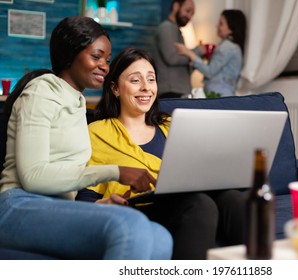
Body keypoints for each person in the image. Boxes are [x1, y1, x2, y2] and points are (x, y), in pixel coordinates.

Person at [0, 16, 173, 260]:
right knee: (129, 226)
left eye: (107, 60)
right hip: (18, 204)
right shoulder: (42, 90)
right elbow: (33, 178)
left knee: (160, 237)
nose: (105, 66)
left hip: (59, 207)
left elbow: (66, 182)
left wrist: (102, 206)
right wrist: (116, 172)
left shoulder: (78, 103)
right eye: (96, 56)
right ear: (71, 55)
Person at [76, 47, 246, 259]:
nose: (146, 88)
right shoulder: (98, 133)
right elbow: (83, 200)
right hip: (137, 210)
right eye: (135, 80)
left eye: (151, 79)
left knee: (232, 198)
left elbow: (198, 170)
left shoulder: (172, 125)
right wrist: (107, 203)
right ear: (115, 88)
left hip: (182, 202)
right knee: (200, 205)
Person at [176, 9, 247, 97]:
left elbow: (209, 71)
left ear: (231, 29)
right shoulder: (233, 47)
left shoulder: (227, 47)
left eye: (221, 23)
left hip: (219, 94)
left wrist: (189, 53)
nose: (217, 26)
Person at [153, 0, 199, 98]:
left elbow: (182, 66)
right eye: (187, 11)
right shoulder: (166, 28)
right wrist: (197, 52)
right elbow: (172, 58)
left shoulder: (176, 30)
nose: (189, 16)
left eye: (192, 14)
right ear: (176, 6)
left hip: (177, 91)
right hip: (170, 92)